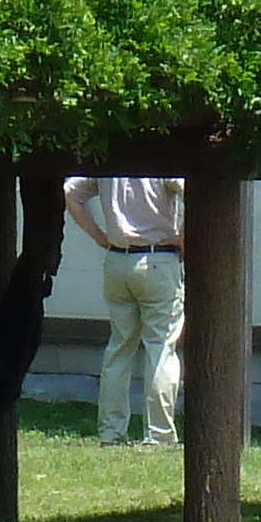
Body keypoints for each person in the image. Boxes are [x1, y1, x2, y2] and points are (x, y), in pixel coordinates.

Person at [68, 171, 184, 447]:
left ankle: (111, 431)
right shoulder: (163, 159)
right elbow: (192, 189)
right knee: (160, 348)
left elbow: (71, 192)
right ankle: (159, 434)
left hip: (118, 258)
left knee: (119, 347)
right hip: (158, 257)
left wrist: (99, 236)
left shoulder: (113, 156)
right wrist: (182, 237)